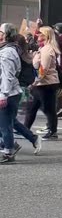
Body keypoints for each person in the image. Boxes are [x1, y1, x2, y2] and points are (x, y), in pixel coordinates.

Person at [24, 26, 60, 140]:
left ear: (46, 36)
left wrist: (34, 82)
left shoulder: (47, 50)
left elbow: (42, 70)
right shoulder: (43, 48)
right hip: (41, 84)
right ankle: (25, 129)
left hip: (46, 84)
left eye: (40, 34)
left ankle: (53, 132)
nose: (38, 35)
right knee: (32, 108)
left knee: (48, 109)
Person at [0, 23, 23, 163]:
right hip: (9, 92)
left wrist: (4, 94)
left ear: (5, 35)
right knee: (5, 123)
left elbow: (8, 75)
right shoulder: (7, 49)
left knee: (5, 123)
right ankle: (9, 146)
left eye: (0, 31)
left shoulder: (7, 52)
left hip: (8, 93)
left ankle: (9, 151)